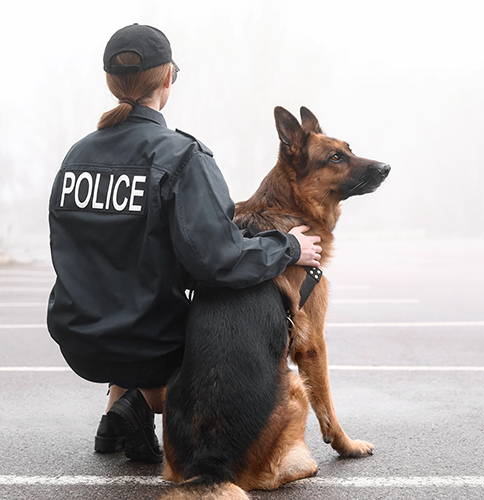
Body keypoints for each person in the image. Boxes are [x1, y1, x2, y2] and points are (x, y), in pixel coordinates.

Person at [46, 24, 322, 464]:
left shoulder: (77, 156)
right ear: (167, 80)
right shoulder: (182, 155)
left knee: (133, 300)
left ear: (110, 83)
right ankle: (142, 403)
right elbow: (219, 261)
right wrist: (288, 248)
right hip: (146, 342)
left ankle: (114, 418)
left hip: (77, 336)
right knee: (216, 322)